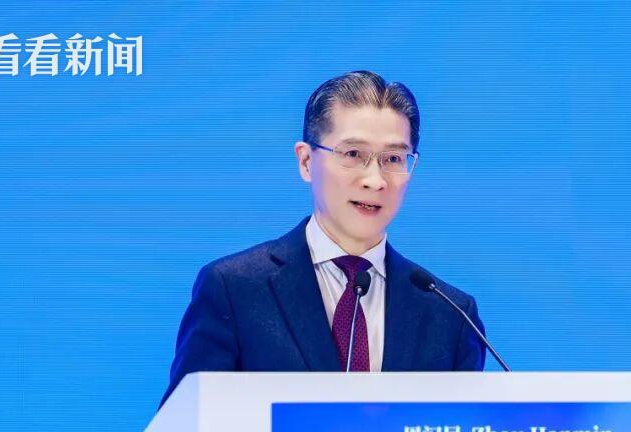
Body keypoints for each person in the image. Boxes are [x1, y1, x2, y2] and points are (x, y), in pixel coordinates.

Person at [161, 70, 487, 406]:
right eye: (353, 154)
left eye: (393, 159)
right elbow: (185, 428)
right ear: (306, 161)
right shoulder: (234, 289)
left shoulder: (451, 315)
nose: (375, 180)